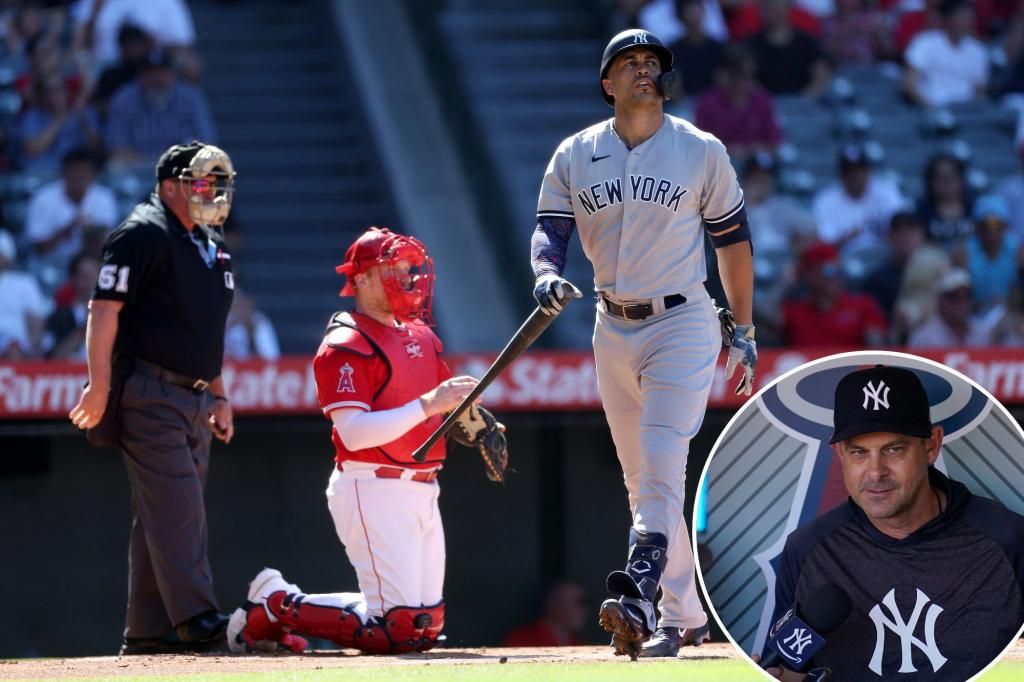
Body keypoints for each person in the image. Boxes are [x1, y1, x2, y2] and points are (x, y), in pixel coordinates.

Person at [531, 29, 756, 660]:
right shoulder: (575, 154)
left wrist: (744, 330)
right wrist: (546, 273)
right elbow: (549, 230)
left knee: (661, 460)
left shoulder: (700, 150)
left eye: (653, 63)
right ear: (607, 82)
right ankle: (684, 617)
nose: (643, 71)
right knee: (645, 482)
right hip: (611, 325)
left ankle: (637, 591)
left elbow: (733, 244)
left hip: (683, 321)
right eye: (629, 63)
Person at [226, 227, 493, 656]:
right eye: (394, 269)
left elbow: (443, 407)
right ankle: (274, 603)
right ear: (362, 278)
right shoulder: (344, 343)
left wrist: (473, 419)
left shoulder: (420, 336)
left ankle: (276, 602)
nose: (407, 279)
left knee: (425, 627)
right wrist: (429, 405)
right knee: (395, 629)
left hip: (423, 487)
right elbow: (353, 432)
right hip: (371, 484)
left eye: (410, 270)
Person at [67, 141, 238, 655]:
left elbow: (209, 328)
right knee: (180, 510)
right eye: (201, 182)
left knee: (162, 514)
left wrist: (221, 394)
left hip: (195, 396)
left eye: (217, 182)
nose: (212, 191)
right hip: (150, 391)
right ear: (170, 187)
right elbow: (104, 311)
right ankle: (196, 616)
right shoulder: (142, 232)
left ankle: (147, 629)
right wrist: (98, 386)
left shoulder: (208, 240)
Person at [758, 365, 1024, 680]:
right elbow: (787, 666)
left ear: (931, 445)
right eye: (859, 453)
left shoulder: (1009, 540)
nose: (875, 472)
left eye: (894, 450)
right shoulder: (807, 549)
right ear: (840, 454)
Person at [24, 148, 118, 291]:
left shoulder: (104, 197)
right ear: (64, 173)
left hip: (89, 268)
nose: (80, 176)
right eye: (75, 171)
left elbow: (108, 243)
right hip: (52, 268)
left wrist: (90, 231)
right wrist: (69, 227)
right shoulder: (42, 199)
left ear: (93, 175)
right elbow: (39, 248)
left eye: (84, 172)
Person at [106, 48, 216, 168]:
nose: (156, 79)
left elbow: (207, 141)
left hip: (181, 170)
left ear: (173, 75)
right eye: (150, 73)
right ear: (140, 76)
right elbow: (117, 148)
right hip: (137, 171)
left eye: (162, 73)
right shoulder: (124, 100)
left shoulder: (190, 98)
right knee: (116, 165)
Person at [781, 242, 888, 347]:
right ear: (810, 275)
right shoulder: (795, 311)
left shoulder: (862, 305)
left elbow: (877, 349)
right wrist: (784, 283)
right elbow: (766, 317)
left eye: (839, 270)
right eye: (829, 271)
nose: (837, 277)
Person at [811, 144, 906, 255]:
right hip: (843, 259)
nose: (856, 176)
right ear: (841, 175)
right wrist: (848, 237)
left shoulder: (887, 193)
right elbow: (824, 243)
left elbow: (902, 227)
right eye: (849, 171)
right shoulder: (825, 200)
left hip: (885, 258)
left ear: (869, 171)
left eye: (860, 170)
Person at [694, 45, 782, 163]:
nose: (746, 82)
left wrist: (750, 150)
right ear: (727, 76)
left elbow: (774, 142)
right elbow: (699, 144)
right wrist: (728, 149)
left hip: (754, 168)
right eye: (741, 75)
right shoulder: (708, 103)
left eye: (750, 76)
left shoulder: (762, 101)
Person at [903, 0, 989, 108]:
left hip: (966, 110)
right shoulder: (924, 42)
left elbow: (979, 90)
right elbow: (909, 82)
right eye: (962, 15)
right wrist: (929, 107)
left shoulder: (978, 50)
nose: (968, 20)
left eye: (969, 15)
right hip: (931, 107)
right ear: (948, 18)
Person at [907, 267, 995, 346]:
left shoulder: (981, 333)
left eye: (967, 296)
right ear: (940, 300)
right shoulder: (924, 338)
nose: (961, 302)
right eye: (954, 296)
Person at [0, 228, 50, 359]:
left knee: (14, 350)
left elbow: (36, 323)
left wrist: (29, 349)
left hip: (18, 348)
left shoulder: (24, 283)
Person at [44, 251, 99, 360]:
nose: (91, 281)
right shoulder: (60, 316)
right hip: (69, 374)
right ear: (74, 279)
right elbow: (53, 357)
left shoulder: (113, 314)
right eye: (85, 276)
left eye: (95, 275)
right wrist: (86, 328)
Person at [503, 580, 589, 647]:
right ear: (555, 604)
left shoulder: (578, 644)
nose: (585, 610)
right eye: (578, 602)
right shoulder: (521, 641)